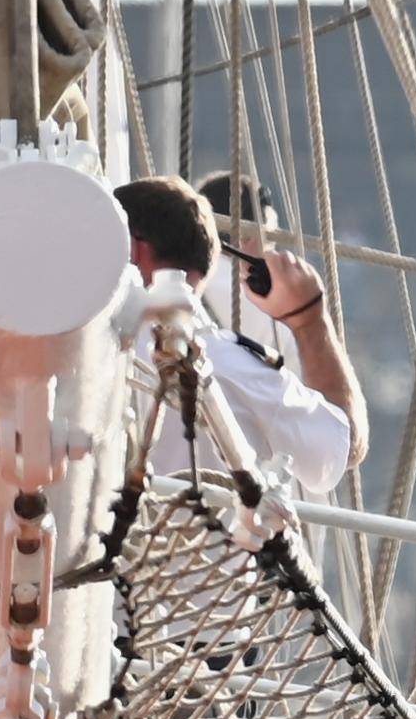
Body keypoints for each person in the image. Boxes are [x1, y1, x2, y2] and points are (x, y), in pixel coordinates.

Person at [113, 174, 363, 498]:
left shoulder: (56, 342)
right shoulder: (232, 361)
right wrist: (310, 321)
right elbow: (343, 447)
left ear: (131, 248)